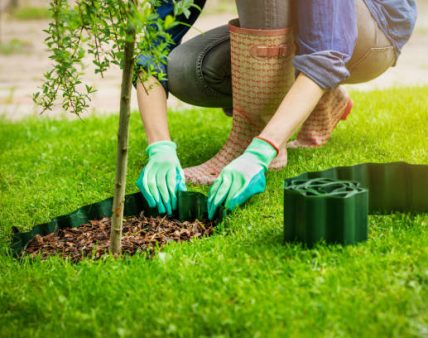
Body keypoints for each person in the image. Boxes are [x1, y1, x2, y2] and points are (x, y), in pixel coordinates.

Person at [135, 0, 417, 219]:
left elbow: (327, 51)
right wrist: (159, 147)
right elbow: (154, 49)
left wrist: (260, 152)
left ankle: (254, 132)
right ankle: (319, 97)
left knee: (317, 49)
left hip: (374, 31)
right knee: (187, 69)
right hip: (308, 32)